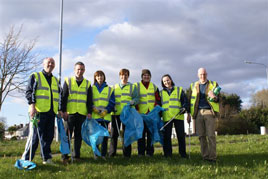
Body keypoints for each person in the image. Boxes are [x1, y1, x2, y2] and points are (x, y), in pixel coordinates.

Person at [22, 57, 62, 164]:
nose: (51, 64)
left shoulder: (56, 80)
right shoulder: (35, 76)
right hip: (38, 112)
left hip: (51, 112)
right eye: (49, 62)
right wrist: (32, 106)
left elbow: (59, 96)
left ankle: (46, 158)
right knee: (34, 137)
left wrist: (59, 110)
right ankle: (26, 159)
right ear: (43, 64)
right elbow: (29, 92)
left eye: (53, 63)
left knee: (48, 137)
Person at [61, 61, 93, 163]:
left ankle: (76, 156)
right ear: (74, 70)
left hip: (82, 113)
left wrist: (89, 112)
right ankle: (64, 157)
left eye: (82, 69)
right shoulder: (68, 81)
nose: (80, 71)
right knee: (67, 136)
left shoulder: (87, 83)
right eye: (78, 69)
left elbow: (89, 99)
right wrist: (64, 111)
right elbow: (63, 97)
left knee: (79, 136)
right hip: (70, 113)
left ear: (84, 70)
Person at [187, 68, 220, 163]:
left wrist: (214, 97)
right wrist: (189, 114)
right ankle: (205, 157)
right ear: (198, 75)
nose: (203, 76)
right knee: (201, 136)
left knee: (211, 135)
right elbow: (190, 101)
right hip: (197, 113)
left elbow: (218, 99)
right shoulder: (193, 85)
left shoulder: (214, 84)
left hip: (209, 112)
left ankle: (212, 158)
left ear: (207, 74)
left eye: (204, 74)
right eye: (201, 74)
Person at [108, 69, 139, 158]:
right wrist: (112, 106)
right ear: (119, 76)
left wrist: (132, 102)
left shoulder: (132, 87)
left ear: (128, 76)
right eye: (122, 75)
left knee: (127, 134)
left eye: (126, 75)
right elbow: (111, 99)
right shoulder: (114, 87)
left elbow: (137, 99)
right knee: (114, 134)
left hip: (128, 114)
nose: (124, 77)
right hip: (116, 113)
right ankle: (112, 153)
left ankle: (127, 154)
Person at [160, 74, 189, 158]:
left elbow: (185, 101)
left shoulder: (179, 90)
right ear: (162, 83)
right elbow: (158, 104)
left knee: (180, 136)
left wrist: (184, 108)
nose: (166, 82)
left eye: (168, 80)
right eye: (164, 81)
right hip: (167, 117)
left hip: (178, 116)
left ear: (171, 80)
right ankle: (168, 155)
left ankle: (183, 154)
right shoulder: (161, 93)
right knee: (167, 137)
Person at [135, 69, 161, 157]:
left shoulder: (154, 86)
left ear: (150, 77)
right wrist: (136, 109)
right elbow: (134, 98)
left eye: (148, 75)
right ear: (142, 76)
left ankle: (150, 152)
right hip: (140, 114)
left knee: (150, 134)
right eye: (144, 75)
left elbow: (158, 99)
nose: (146, 77)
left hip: (151, 114)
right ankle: (141, 153)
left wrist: (156, 107)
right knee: (141, 134)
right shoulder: (137, 86)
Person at [92, 70, 115, 160]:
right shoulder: (91, 88)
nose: (99, 78)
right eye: (98, 76)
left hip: (105, 117)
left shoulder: (109, 89)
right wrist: (95, 109)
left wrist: (106, 111)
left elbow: (112, 103)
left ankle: (103, 155)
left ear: (104, 77)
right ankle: (96, 154)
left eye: (101, 76)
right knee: (96, 137)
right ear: (95, 78)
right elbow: (89, 101)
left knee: (105, 137)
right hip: (95, 117)